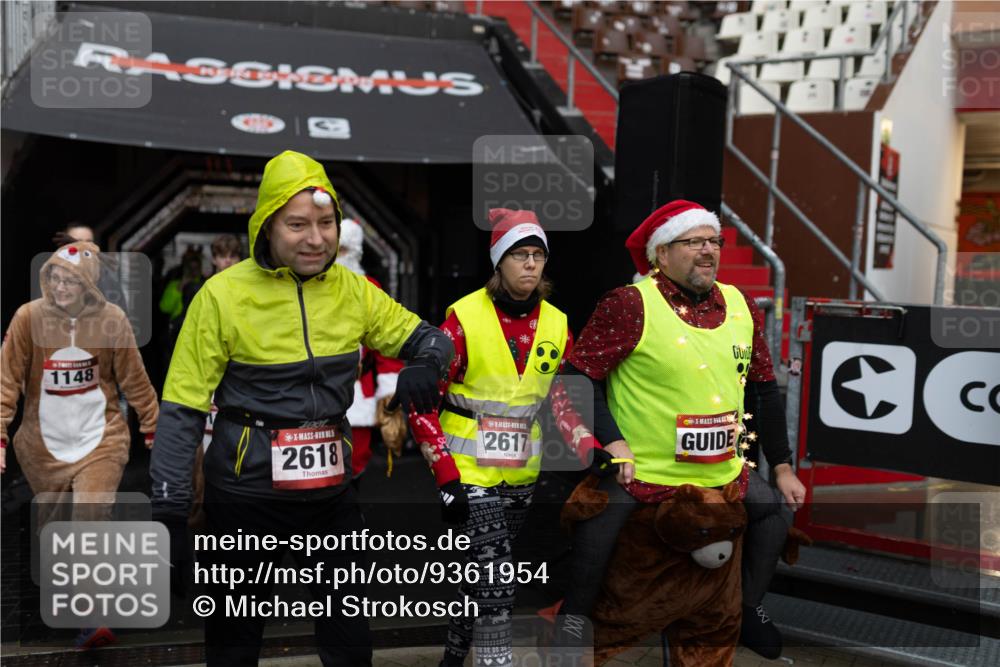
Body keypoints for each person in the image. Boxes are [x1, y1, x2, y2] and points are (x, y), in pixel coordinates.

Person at [148, 150, 455, 666]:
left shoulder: (353, 290)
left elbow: (431, 338)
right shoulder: (220, 297)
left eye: (325, 222)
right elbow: (180, 410)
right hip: (244, 493)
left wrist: (425, 362)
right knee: (234, 636)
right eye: (297, 225)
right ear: (267, 227)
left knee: (349, 633)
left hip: (331, 495)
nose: (315, 239)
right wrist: (170, 515)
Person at [554, 200, 806, 660]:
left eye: (714, 241)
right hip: (647, 469)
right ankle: (574, 618)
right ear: (661, 254)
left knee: (775, 514)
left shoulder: (740, 305)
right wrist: (612, 442)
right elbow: (577, 376)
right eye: (693, 242)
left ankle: (750, 607)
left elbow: (766, 389)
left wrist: (784, 466)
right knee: (596, 522)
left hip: (721, 469)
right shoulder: (630, 304)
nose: (707, 251)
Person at [407, 208, 596, 667]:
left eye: (537, 255)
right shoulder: (463, 319)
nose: (530, 265)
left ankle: (453, 657)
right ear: (499, 262)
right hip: (466, 470)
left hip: (519, 474)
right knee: (497, 577)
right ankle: (496, 661)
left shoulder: (557, 324)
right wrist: (447, 477)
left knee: (478, 577)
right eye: (518, 255)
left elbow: (560, 401)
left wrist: (590, 446)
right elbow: (421, 404)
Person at [1, 241, 159, 649]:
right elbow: (6, 382)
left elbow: (134, 378)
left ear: (88, 282)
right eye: (55, 276)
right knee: (53, 532)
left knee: (90, 519)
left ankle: (92, 618)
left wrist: (153, 425)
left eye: (70, 279)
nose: (60, 285)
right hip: (43, 448)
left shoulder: (113, 320)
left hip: (101, 440)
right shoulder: (27, 318)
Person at [336, 218, 406, 487]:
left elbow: (385, 346)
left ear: (354, 251)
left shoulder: (369, 288)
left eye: (343, 251)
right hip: (314, 392)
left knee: (355, 461)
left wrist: (388, 399)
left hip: (356, 393)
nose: (338, 258)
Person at [158, 246, 206, 344]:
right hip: (177, 331)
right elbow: (164, 308)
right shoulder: (174, 285)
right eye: (190, 268)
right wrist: (180, 287)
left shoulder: (206, 285)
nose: (193, 271)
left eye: (196, 268)